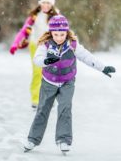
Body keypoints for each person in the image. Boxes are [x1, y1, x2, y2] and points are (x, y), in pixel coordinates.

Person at [23, 15, 116, 153]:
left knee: (65, 108)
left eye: (62, 34)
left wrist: (102, 68)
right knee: (43, 110)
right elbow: (37, 59)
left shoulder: (73, 45)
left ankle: (63, 140)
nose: (59, 37)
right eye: (56, 34)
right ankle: (33, 139)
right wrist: (46, 61)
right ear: (51, 33)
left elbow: (87, 56)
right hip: (49, 82)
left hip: (67, 82)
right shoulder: (46, 44)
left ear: (67, 32)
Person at [10, 0, 58, 109]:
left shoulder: (56, 17)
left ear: (52, 4)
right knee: (38, 72)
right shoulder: (34, 16)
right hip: (35, 46)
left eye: (48, 3)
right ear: (40, 3)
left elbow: (64, 32)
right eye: (43, 2)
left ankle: (49, 99)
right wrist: (15, 44)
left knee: (50, 72)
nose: (45, 5)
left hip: (51, 47)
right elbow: (23, 30)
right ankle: (36, 99)